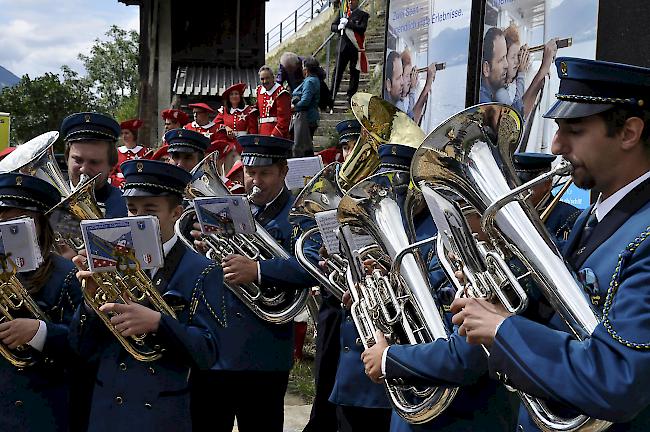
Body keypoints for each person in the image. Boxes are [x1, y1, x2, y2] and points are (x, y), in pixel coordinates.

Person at [451, 57, 650, 430]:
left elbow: (620, 377)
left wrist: (504, 328)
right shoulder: (595, 220)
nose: (556, 146)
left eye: (573, 130)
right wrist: (498, 299)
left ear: (629, 133)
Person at [69, 159, 224, 432]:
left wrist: (158, 323)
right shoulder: (107, 258)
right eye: (131, 209)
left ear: (176, 212)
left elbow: (208, 352)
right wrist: (90, 304)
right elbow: (80, 348)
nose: (137, 219)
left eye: (150, 210)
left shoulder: (202, 269)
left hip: (160, 413)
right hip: (108, 410)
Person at [190, 134, 319, 432]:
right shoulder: (231, 207)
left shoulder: (300, 215)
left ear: (283, 171)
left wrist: (258, 270)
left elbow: (312, 266)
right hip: (216, 350)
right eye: (250, 173)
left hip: (264, 354)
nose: (255, 181)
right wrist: (202, 251)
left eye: (265, 173)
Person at [0, 173, 82, 432]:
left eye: (19, 218)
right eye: (2, 216)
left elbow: (85, 345)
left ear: (40, 222)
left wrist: (39, 333)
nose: (7, 224)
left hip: (42, 408)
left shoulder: (66, 274)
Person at [61, 112, 128, 219]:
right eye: (78, 160)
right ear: (67, 158)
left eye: (94, 162)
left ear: (111, 166)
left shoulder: (126, 208)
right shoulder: (48, 200)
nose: (84, 169)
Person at [512, 152, 581, 246]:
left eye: (526, 184)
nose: (519, 189)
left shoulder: (570, 216)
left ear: (547, 184)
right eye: (517, 184)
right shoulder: (513, 211)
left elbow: (566, 252)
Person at [496, 25, 559, 119]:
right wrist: (521, 73)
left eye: (518, 56)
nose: (517, 62)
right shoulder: (498, 91)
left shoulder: (508, 85)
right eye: (513, 57)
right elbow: (517, 115)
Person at [330, 0, 369, 106]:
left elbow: (362, 29)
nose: (350, 2)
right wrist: (338, 27)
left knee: (354, 74)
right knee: (337, 73)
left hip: (355, 48)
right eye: (349, 1)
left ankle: (351, 97)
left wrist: (349, 24)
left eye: (353, 0)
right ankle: (332, 97)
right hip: (342, 47)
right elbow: (332, 26)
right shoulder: (342, 13)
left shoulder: (363, 15)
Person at [292, 57, 321, 157]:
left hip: (306, 118)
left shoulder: (309, 82)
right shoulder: (315, 80)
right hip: (310, 116)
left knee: (303, 147)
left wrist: (294, 107)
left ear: (306, 69)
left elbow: (305, 101)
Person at [397, 49, 436, 125]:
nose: (411, 79)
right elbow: (411, 121)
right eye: (408, 75)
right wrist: (427, 85)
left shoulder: (404, 99)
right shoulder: (398, 103)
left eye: (411, 74)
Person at [257, 65, 291, 138]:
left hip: (276, 135)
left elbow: (284, 119)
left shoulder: (281, 93)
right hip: (262, 134)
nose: (265, 81)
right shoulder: (259, 91)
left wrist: (275, 135)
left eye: (267, 78)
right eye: (262, 79)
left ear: (273, 78)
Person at [110, 119, 146, 187]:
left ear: (134, 134)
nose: (123, 136)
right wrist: (120, 183)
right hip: (120, 188)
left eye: (126, 133)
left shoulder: (144, 152)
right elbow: (111, 173)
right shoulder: (117, 152)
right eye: (122, 133)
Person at [479, 27, 509, 105]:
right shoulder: (484, 104)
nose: (506, 65)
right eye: (501, 60)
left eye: (505, 57)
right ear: (486, 69)